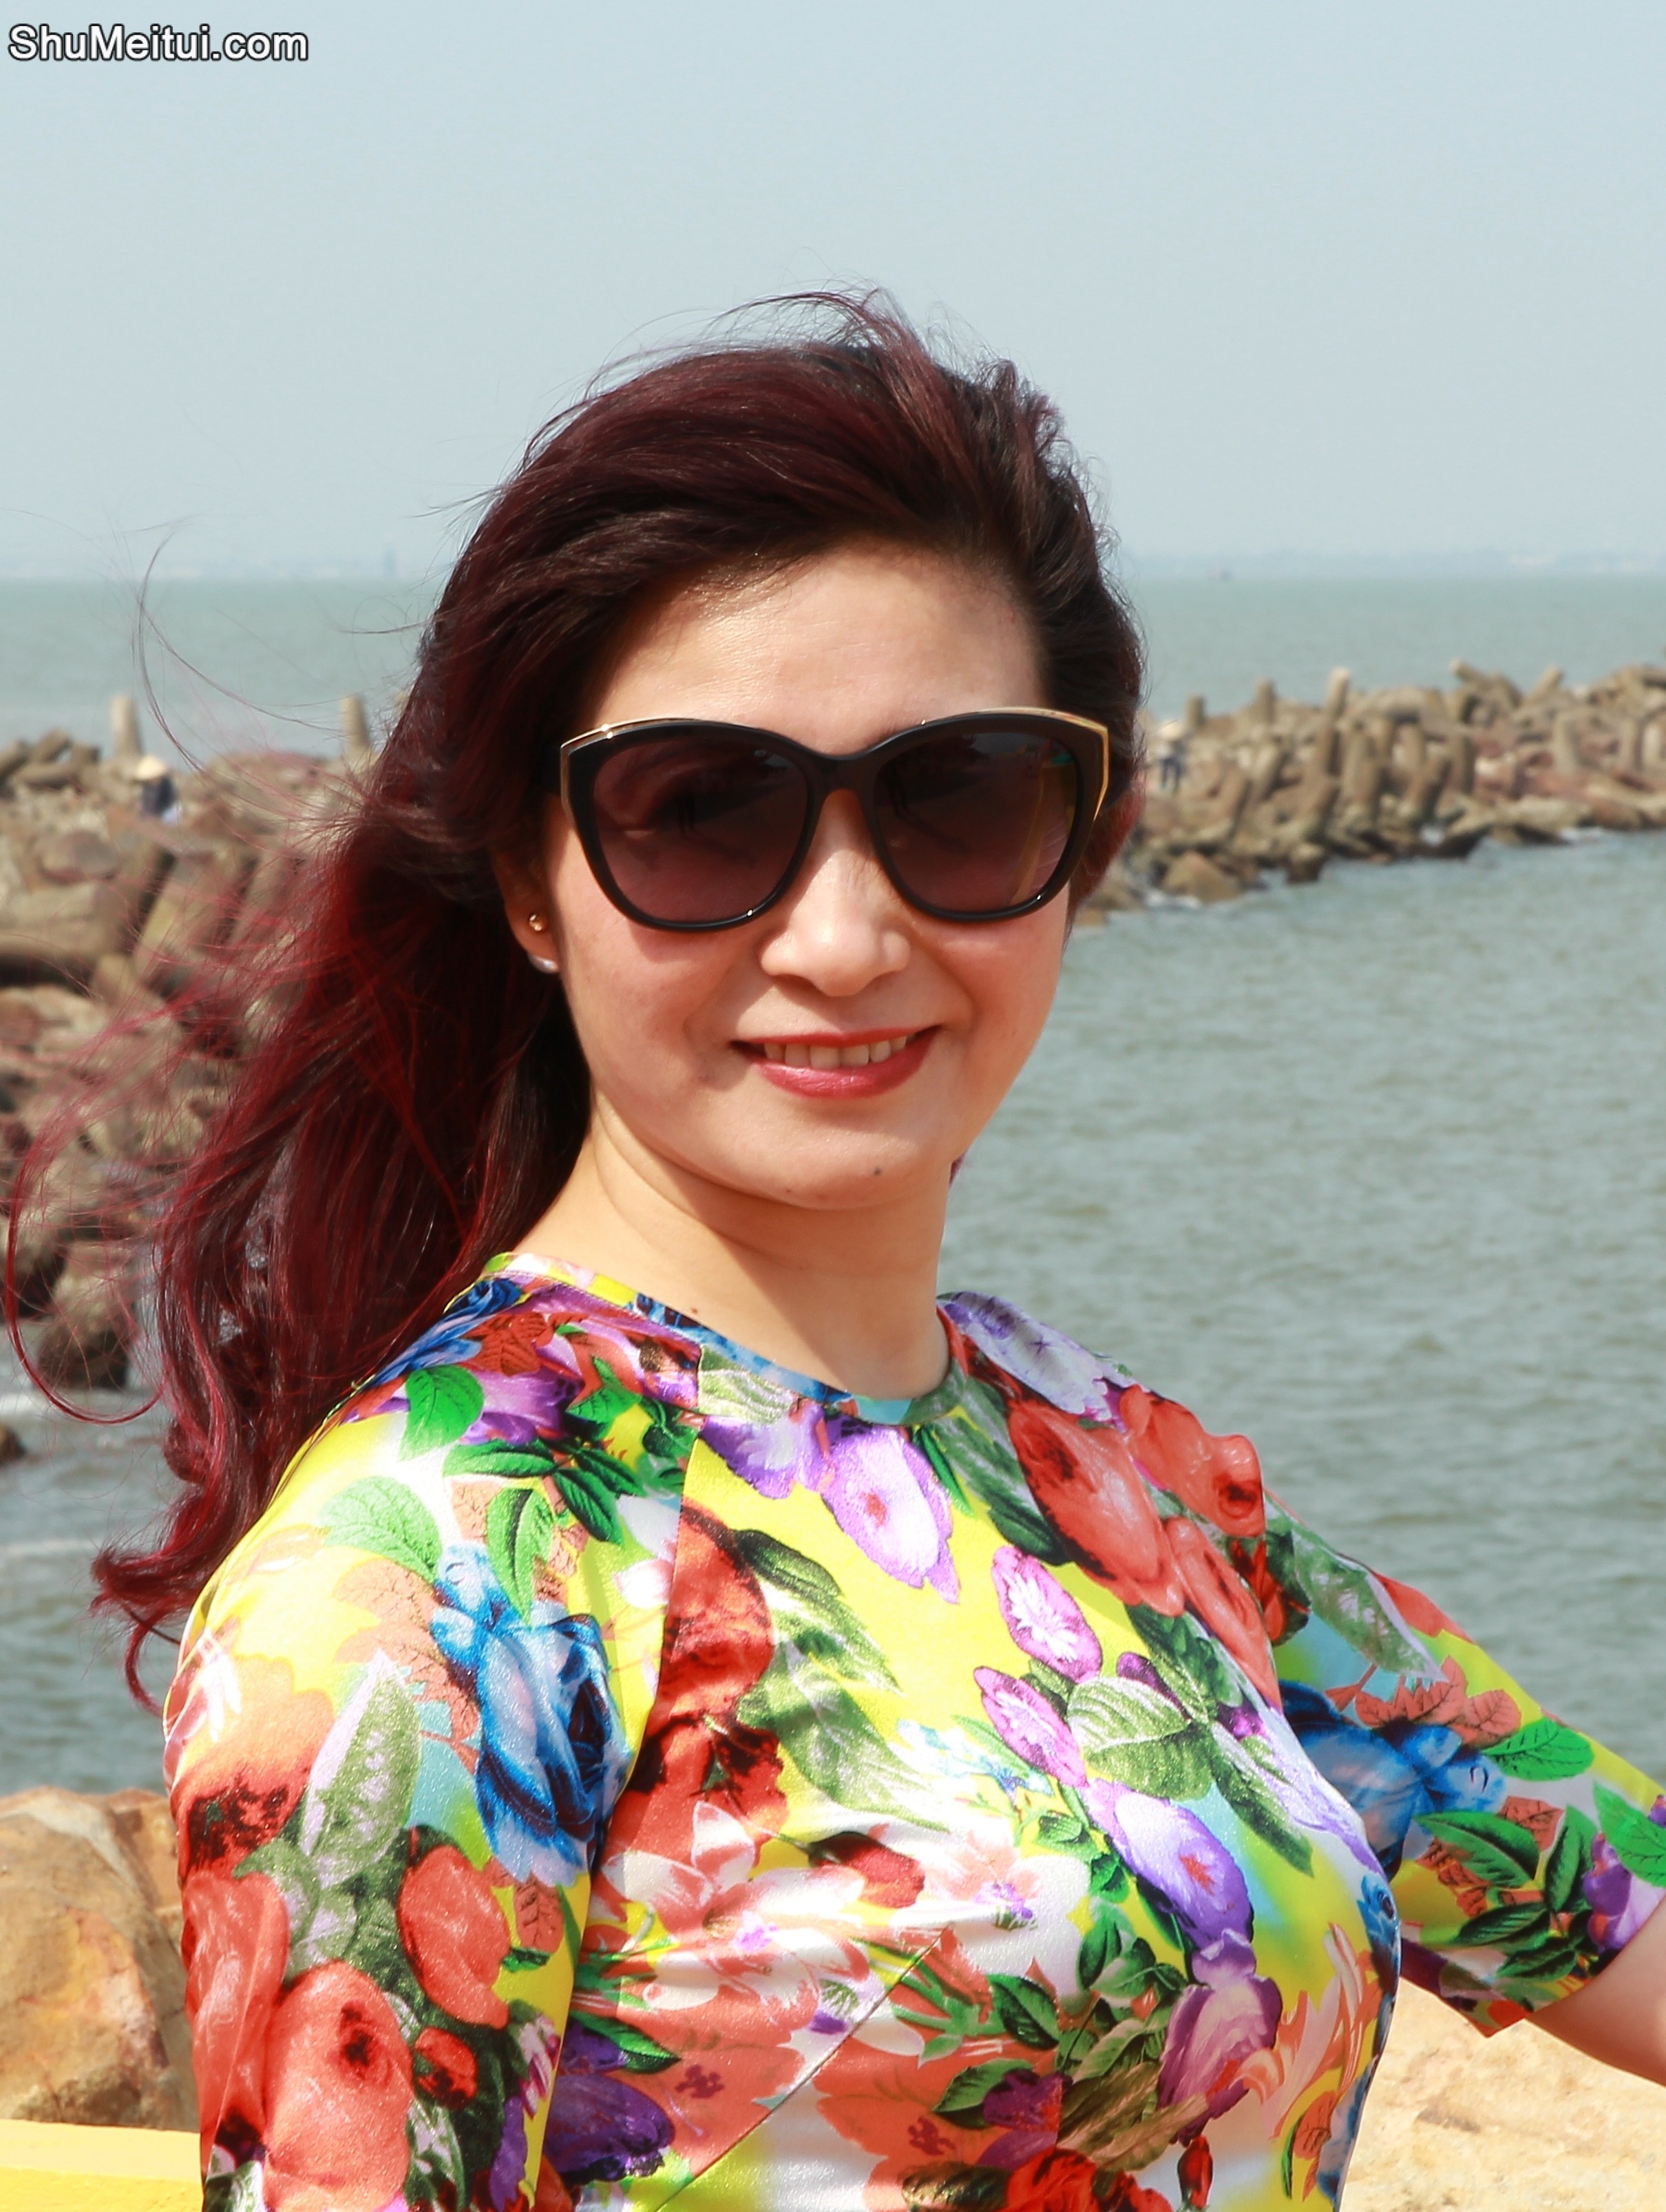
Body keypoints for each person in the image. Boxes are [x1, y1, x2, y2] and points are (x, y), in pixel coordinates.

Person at [86, 302, 1663, 2212]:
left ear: (1081, 845)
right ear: (527, 879)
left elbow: (1596, 1892)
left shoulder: (1104, 1472)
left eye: (959, 799)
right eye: (700, 814)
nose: (842, 939)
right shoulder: (426, 1578)